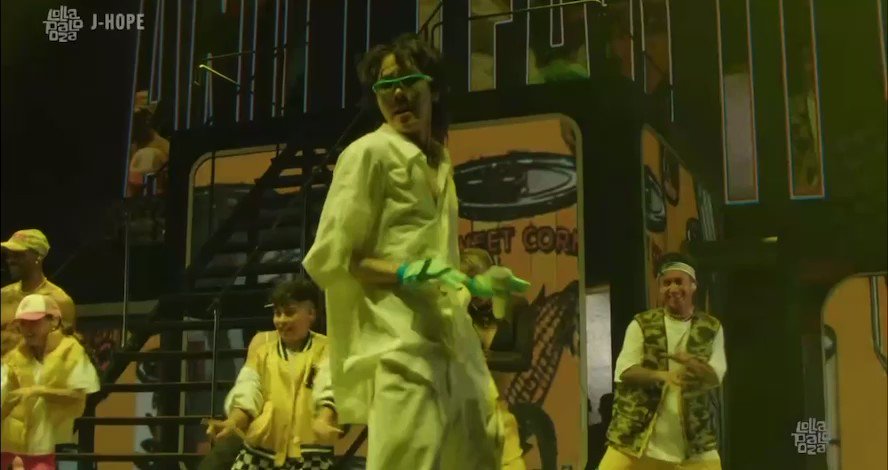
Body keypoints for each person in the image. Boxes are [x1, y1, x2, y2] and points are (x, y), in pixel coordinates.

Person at [302, 33, 528, 470]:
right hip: (399, 343)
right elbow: (339, 257)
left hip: (453, 341)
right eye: (386, 85)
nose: (397, 93)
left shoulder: (441, 161)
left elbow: (439, 262)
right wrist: (405, 272)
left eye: (408, 80)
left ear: (434, 88)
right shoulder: (367, 154)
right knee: (410, 460)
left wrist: (477, 283)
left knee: (482, 452)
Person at [599, 253, 726, 470]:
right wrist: (662, 376)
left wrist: (692, 363)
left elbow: (715, 377)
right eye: (667, 283)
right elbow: (625, 371)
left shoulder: (711, 328)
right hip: (637, 439)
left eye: (679, 282)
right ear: (659, 289)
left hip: (695, 443)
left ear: (693, 285)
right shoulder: (642, 324)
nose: (673, 288)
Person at [204, 278, 340, 470]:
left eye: (290, 312)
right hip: (260, 452)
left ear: (311, 313)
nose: (282, 320)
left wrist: (325, 418)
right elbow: (249, 391)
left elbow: (329, 385)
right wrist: (233, 422)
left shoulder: (326, 349)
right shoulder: (263, 352)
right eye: (277, 313)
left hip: (311, 454)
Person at [0, 294, 100, 470]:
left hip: (40, 445)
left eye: (34, 322)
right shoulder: (15, 357)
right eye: (23, 323)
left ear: (53, 321)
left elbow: (79, 394)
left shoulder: (70, 352)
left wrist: (37, 391)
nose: (28, 329)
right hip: (10, 442)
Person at [460, 248, 533, 470]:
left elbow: (523, 358)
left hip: (498, 408)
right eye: (468, 285)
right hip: (462, 411)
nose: (475, 293)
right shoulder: (460, 309)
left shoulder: (516, 306)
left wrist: (480, 359)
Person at [1, 230, 76, 359]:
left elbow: (67, 352)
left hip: (38, 370)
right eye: (9, 255)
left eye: (18, 254)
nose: (10, 260)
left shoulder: (59, 301)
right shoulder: (3, 295)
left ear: (38, 256)